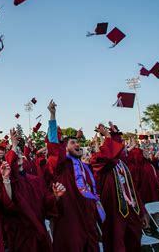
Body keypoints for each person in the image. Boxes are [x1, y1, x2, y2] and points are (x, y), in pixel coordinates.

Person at [45, 100, 103, 252]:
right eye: (72, 143)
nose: (77, 145)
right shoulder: (62, 165)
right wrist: (52, 115)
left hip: (88, 217)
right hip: (70, 217)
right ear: (64, 148)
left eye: (78, 143)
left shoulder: (85, 167)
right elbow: (53, 146)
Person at [90, 123, 147, 252]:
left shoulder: (123, 165)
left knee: (133, 240)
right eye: (116, 141)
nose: (119, 144)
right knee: (116, 244)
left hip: (132, 211)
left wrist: (142, 212)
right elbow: (108, 156)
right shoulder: (102, 164)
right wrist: (107, 136)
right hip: (114, 212)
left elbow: (133, 190)